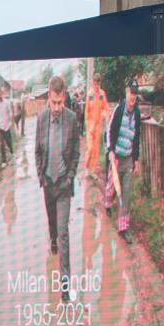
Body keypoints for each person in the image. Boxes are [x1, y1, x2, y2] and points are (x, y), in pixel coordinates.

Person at [33, 75, 82, 302]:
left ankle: (65, 286)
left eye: (60, 103)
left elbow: (75, 153)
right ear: (48, 99)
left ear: (64, 98)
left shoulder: (72, 119)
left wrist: (70, 177)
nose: (56, 108)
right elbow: (37, 151)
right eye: (53, 103)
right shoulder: (41, 119)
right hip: (48, 184)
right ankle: (51, 239)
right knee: (53, 226)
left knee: (63, 233)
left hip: (63, 184)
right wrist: (41, 175)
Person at [103, 82, 144, 243]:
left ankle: (123, 227)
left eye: (135, 94)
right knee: (112, 186)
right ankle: (107, 202)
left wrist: (136, 159)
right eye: (130, 93)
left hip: (128, 159)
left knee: (125, 193)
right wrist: (110, 151)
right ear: (126, 93)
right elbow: (109, 131)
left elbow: (137, 137)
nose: (132, 97)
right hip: (116, 158)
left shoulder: (137, 114)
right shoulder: (118, 111)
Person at [84, 74, 109, 178]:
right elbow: (86, 111)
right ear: (93, 83)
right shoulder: (90, 94)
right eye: (95, 84)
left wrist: (105, 114)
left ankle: (93, 171)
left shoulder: (102, 94)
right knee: (90, 149)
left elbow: (106, 107)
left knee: (96, 150)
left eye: (98, 84)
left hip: (98, 126)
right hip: (90, 126)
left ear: (100, 83)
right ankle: (86, 167)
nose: (96, 86)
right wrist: (88, 126)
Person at [0, 85, 15, 164]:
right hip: (1, 127)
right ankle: (4, 161)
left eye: (0, 94)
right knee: (1, 144)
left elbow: (10, 112)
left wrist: (11, 122)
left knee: (8, 141)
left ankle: (12, 152)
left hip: (7, 126)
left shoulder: (7, 102)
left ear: (2, 94)